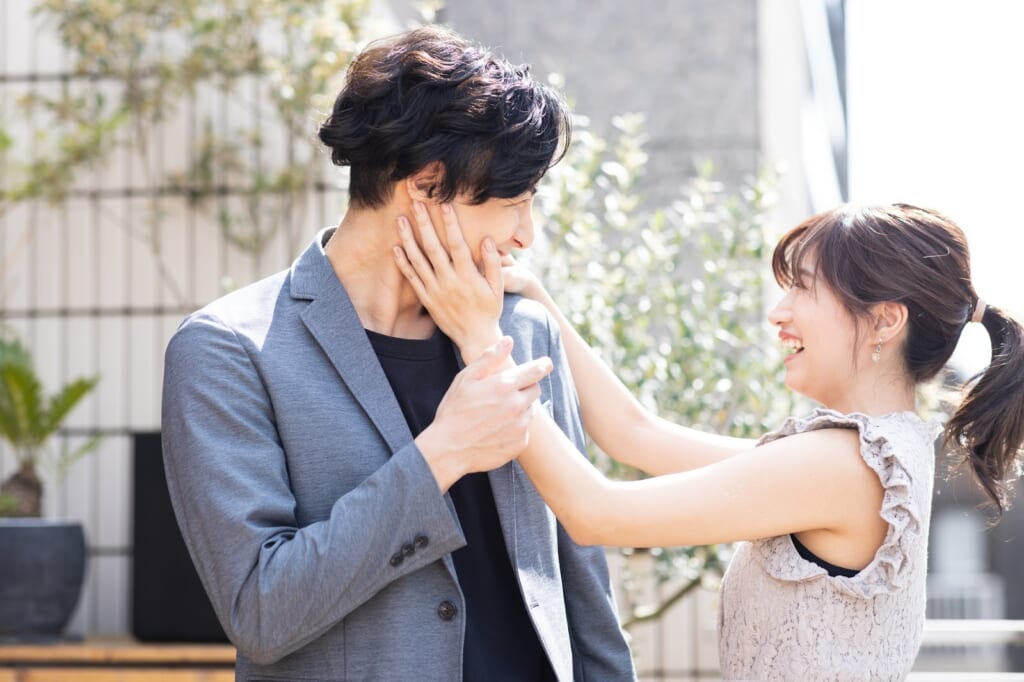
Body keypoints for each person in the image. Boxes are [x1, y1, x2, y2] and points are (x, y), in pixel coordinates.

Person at [161, 26, 635, 681]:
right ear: (426, 183)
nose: (526, 235)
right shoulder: (229, 350)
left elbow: (582, 586)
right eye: (515, 202)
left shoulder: (523, 330)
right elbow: (261, 611)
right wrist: (442, 453)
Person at [393, 201, 1024, 680]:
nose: (778, 312)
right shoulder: (872, 453)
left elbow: (595, 512)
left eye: (804, 287)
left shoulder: (844, 465)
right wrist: (538, 300)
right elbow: (637, 435)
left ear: (885, 319)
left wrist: (481, 340)